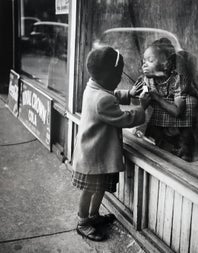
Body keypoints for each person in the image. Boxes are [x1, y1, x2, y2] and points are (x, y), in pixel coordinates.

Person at [72, 46, 149, 241]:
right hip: (94, 156)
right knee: (90, 189)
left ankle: (94, 216)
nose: (120, 76)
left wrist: (128, 93)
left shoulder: (94, 86)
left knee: (99, 188)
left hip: (95, 153)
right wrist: (142, 107)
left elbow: (110, 95)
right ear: (109, 75)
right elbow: (125, 119)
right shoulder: (102, 100)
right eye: (119, 73)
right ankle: (83, 221)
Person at [134, 39, 198, 161]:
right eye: (143, 61)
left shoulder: (177, 80)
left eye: (150, 60)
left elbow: (177, 111)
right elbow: (135, 102)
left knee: (190, 103)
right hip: (157, 124)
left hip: (174, 118)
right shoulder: (145, 80)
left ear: (166, 64)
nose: (144, 65)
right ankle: (161, 147)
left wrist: (157, 98)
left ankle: (186, 151)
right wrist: (137, 96)